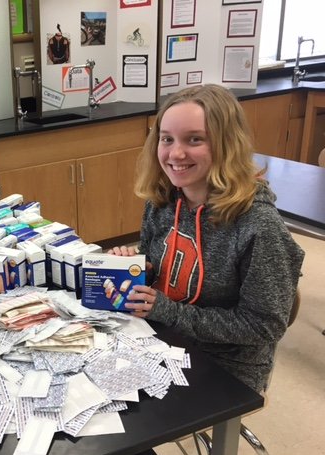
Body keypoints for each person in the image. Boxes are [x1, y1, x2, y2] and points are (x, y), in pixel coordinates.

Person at [110, 84, 304, 393]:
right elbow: (156, 265)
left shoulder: (259, 226)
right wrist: (135, 268)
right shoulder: (162, 200)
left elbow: (264, 326)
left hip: (225, 366)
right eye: (167, 139)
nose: (176, 153)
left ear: (227, 144)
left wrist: (168, 311)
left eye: (195, 139)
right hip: (160, 337)